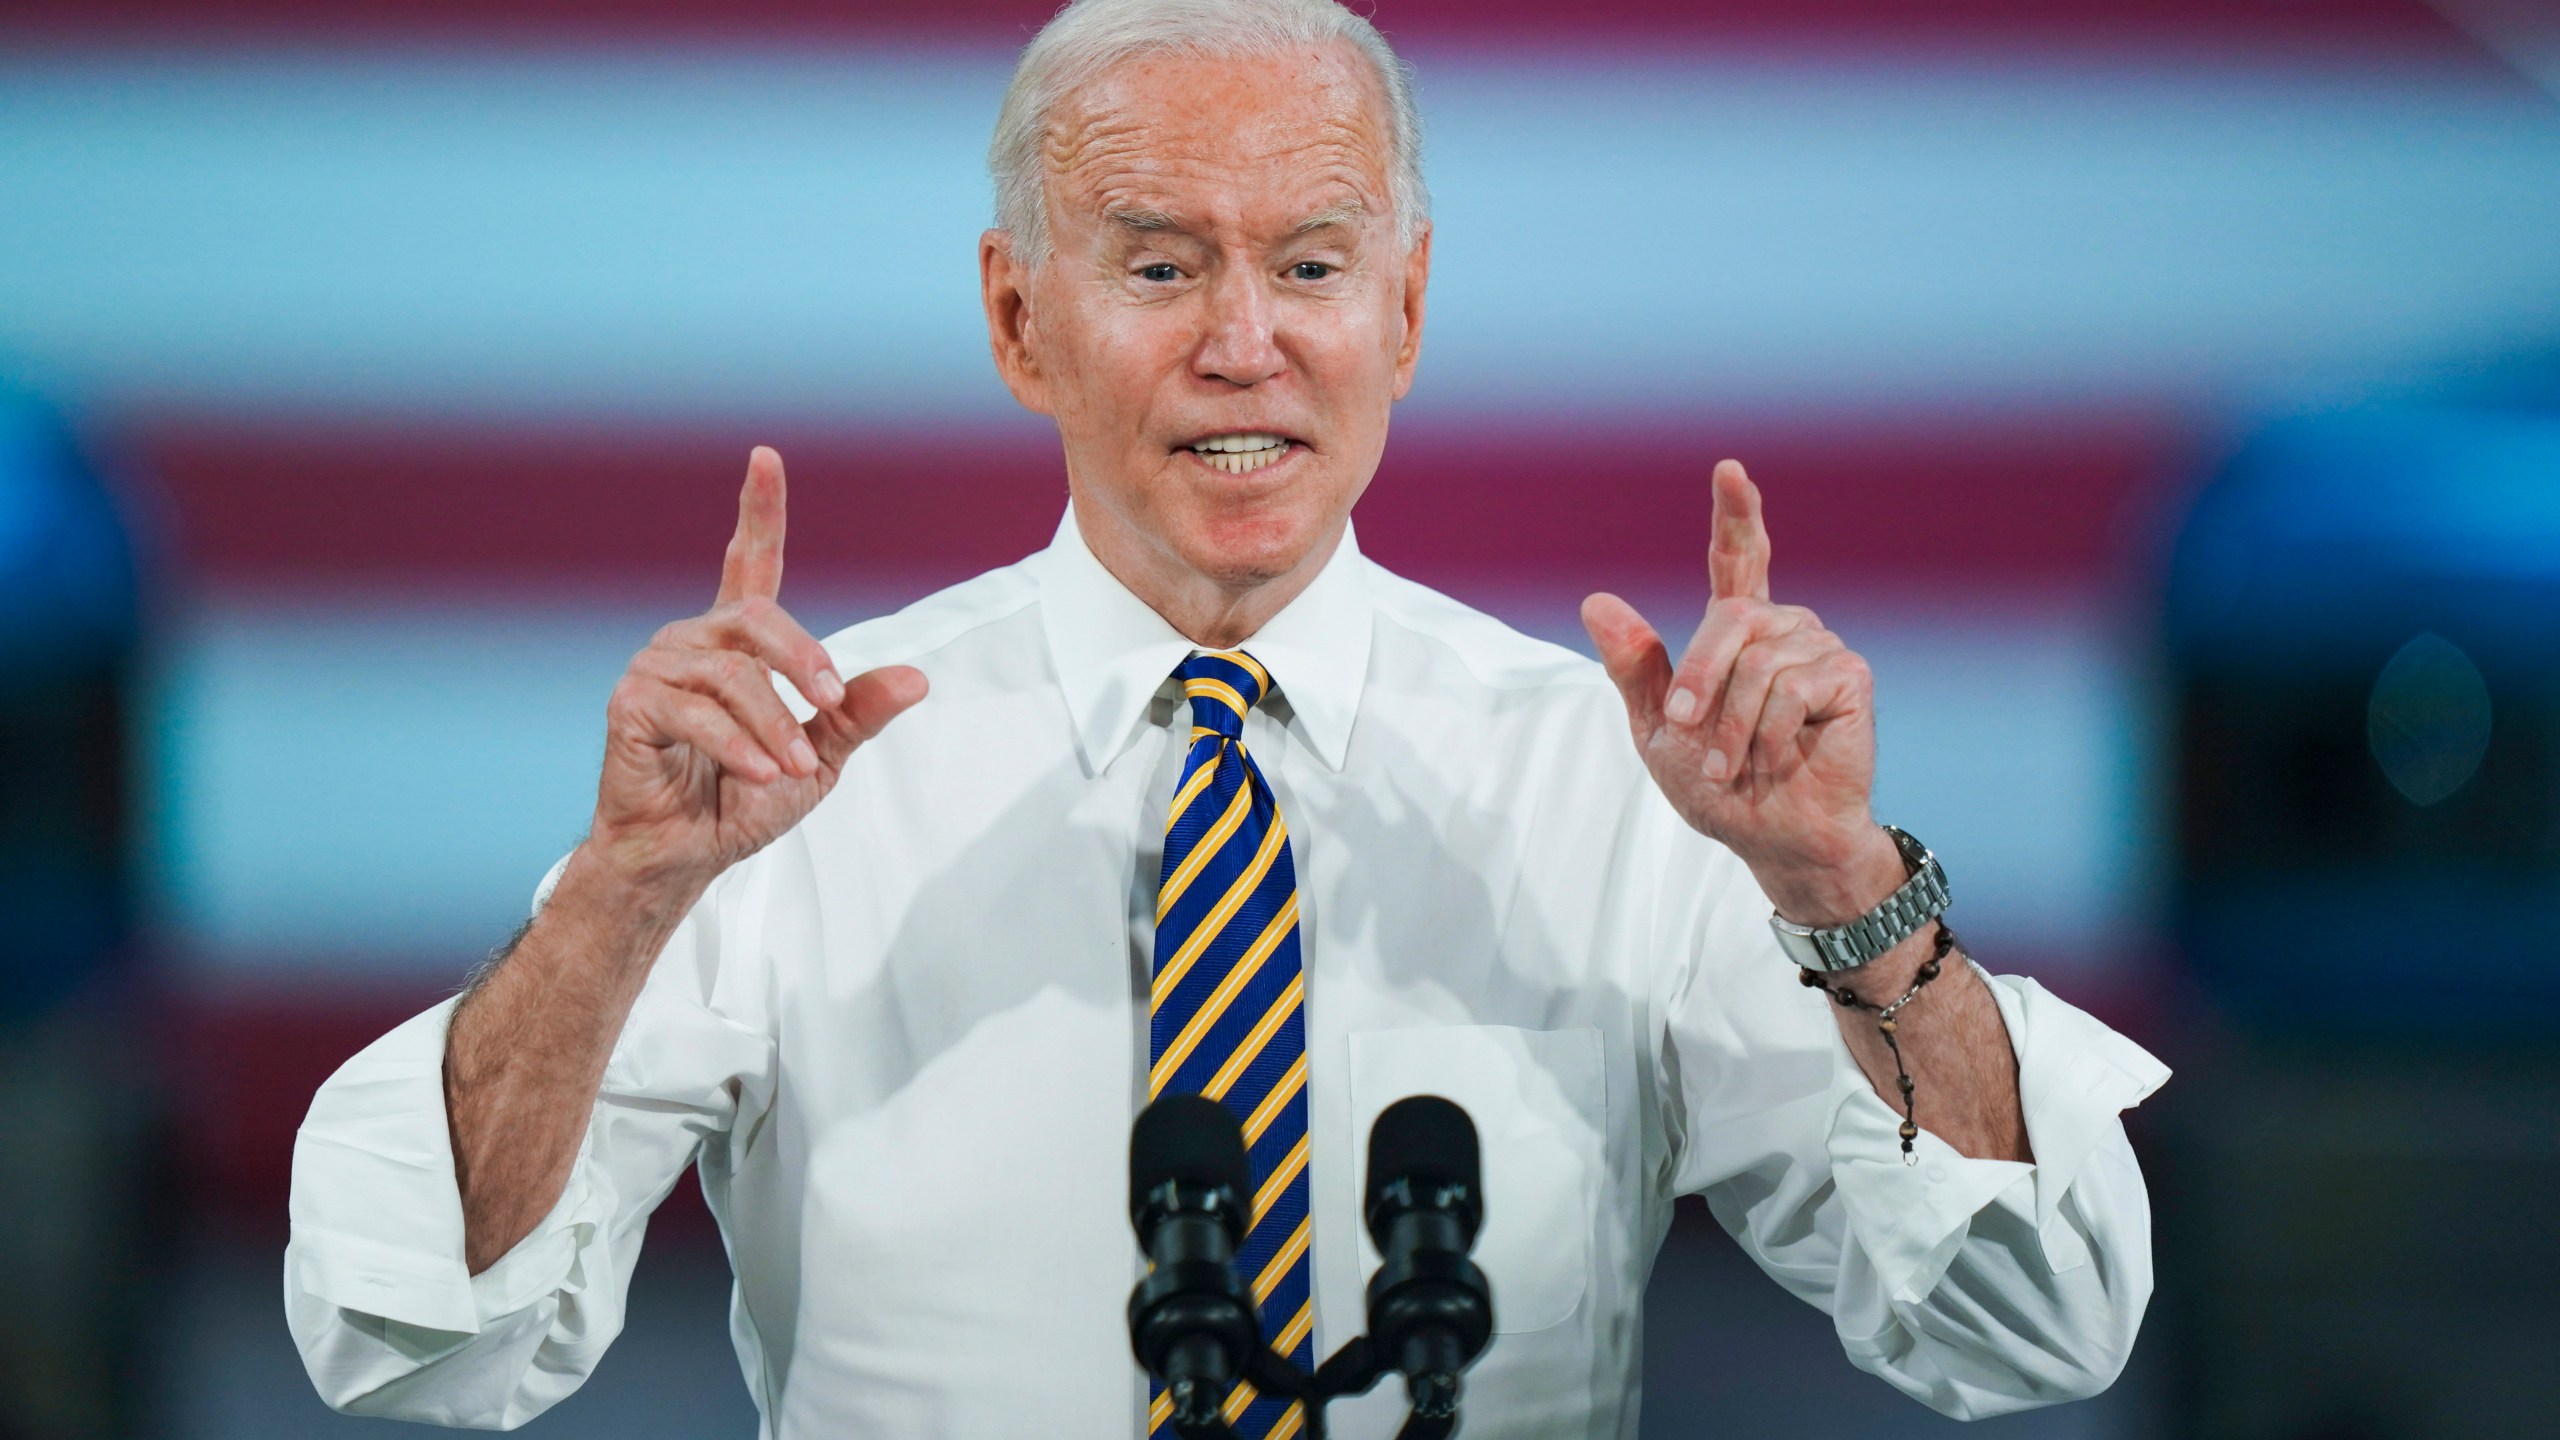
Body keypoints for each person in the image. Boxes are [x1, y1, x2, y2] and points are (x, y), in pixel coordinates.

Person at [284, 1, 2169, 1435]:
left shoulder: (1615, 785)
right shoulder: (793, 773)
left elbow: (2037, 1326)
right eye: (1162, 262)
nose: (1244, 341)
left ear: (1406, 313)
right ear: (1022, 323)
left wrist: (1845, 883)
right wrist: (619, 897)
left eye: (1315, 265)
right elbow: (410, 1338)